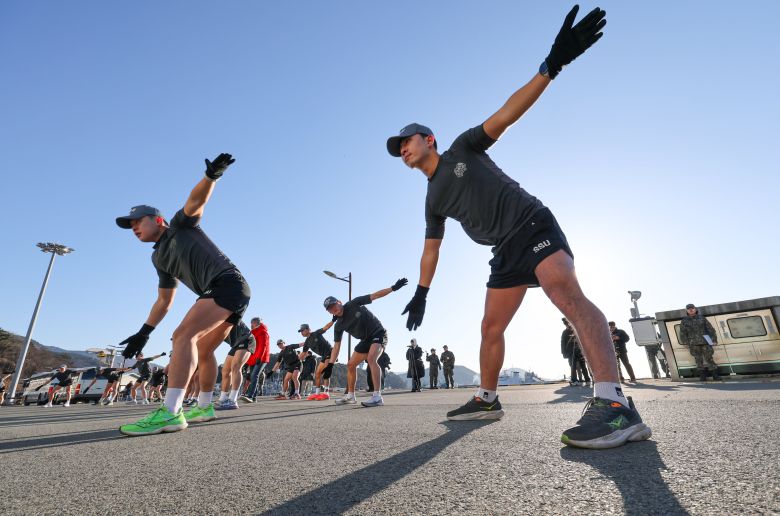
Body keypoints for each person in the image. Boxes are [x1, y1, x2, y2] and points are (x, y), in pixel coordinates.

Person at [387, 5, 651, 448]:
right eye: (398, 149)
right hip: (504, 252)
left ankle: (614, 404)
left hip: (531, 224)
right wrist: (421, 292)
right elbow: (431, 249)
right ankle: (487, 398)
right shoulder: (432, 200)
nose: (402, 151)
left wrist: (551, 66)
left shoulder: (462, 149)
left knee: (565, 295)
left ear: (428, 139)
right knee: (490, 327)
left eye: (406, 142)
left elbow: (507, 113)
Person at [114, 152, 252, 436]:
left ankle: (171, 411)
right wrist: (144, 332)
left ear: (158, 219)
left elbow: (195, 202)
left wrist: (211, 176)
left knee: (182, 336)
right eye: (130, 226)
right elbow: (164, 300)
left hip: (226, 283)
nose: (134, 227)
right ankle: (204, 406)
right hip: (229, 291)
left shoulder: (179, 226)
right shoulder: (158, 258)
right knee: (203, 349)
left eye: (138, 221)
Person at [325, 278, 408, 407]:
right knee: (351, 365)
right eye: (330, 309)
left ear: (339, 302)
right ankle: (351, 396)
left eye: (334, 305)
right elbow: (336, 346)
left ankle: (377, 397)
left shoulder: (353, 304)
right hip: (365, 340)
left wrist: (393, 288)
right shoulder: (338, 325)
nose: (333, 308)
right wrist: (330, 365)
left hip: (378, 333)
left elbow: (375, 295)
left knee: (371, 359)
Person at [214, 321, 256, 411]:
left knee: (236, 367)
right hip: (236, 343)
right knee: (225, 371)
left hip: (246, 338)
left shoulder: (222, 315)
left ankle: (233, 400)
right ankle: (223, 398)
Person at [295, 321, 336, 401]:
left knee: (326, 372)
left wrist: (333, 320)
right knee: (317, 374)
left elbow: (326, 327)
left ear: (308, 329)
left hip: (330, 352)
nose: (301, 333)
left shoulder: (316, 333)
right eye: (300, 331)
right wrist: (295, 361)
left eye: (302, 330)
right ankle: (317, 393)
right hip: (324, 356)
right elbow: (303, 354)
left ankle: (326, 393)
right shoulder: (307, 342)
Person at [679, 303, 720, 381]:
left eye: (692, 308)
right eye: (689, 309)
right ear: (687, 311)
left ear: (695, 309)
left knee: (709, 358)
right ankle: (702, 376)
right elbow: (682, 332)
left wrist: (714, 340)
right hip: (693, 343)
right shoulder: (684, 320)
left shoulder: (702, 318)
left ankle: (715, 375)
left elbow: (710, 329)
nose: (691, 310)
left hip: (705, 342)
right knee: (698, 360)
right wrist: (685, 342)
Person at [242, 316, 270, 402]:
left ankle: (250, 396)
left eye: (252, 323)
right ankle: (253, 397)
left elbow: (263, 346)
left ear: (257, 323)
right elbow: (251, 348)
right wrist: (247, 362)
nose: (251, 325)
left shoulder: (263, 332)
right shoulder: (252, 333)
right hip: (253, 358)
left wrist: (259, 358)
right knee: (252, 376)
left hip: (261, 358)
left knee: (254, 375)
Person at [561, 318, 590, 386]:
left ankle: (578, 380)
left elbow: (563, 343)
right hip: (575, 351)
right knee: (579, 366)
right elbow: (563, 343)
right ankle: (586, 380)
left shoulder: (568, 331)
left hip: (575, 351)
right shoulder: (575, 330)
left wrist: (563, 352)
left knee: (578, 366)